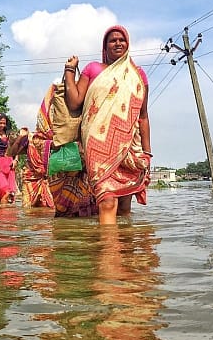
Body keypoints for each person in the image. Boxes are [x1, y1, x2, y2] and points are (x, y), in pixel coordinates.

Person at [63, 25, 152, 225]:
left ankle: (128, 253)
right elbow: (75, 101)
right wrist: (70, 70)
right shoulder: (93, 69)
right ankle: (109, 255)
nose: (118, 43)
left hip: (129, 146)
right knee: (107, 202)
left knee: (124, 207)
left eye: (122, 40)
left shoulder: (137, 75)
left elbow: (143, 116)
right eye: (112, 40)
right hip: (98, 143)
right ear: (105, 46)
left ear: (128, 44)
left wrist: (147, 152)